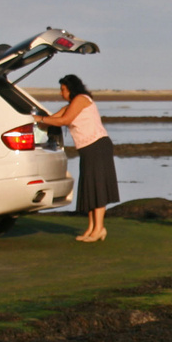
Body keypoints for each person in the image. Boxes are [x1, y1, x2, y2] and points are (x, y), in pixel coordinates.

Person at [36, 74, 118, 242]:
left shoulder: (81, 99)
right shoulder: (71, 105)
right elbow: (55, 118)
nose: (61, 93)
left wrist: (40, 119)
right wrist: (36, 120)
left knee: (98, 185)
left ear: (71, 89)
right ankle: (91, 227)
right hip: (88, 149)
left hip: (98, 146)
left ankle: (99, 228)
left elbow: (64, 120)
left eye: (63, 89)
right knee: (89, 185)